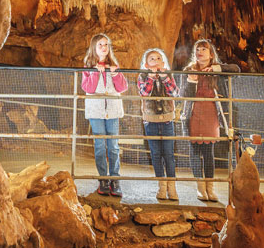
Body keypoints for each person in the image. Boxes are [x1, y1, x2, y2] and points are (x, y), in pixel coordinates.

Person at [180, 39, 239, 202]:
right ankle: (200, 188)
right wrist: (192, 80)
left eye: (203, 49)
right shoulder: (189, 70)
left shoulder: (217, 70)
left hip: (211, 113)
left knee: (208, 152)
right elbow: (183, 94)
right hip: (193, 113)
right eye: (197, 49)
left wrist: (216, 69)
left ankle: (210, 187)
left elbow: (236, 69)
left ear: (211, 54)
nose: (200, 52)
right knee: (194, 151)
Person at [81, 33, 127, 197]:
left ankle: (115, 179)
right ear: (94, 47)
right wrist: (96, 72)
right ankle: (103, 179)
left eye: (106, 44)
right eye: (100, 44)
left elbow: (123, 87)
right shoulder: (88, 66)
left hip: (112, 110)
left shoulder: (114, 65)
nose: (103, 47)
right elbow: (88, 88)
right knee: (100, 145)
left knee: (113, 146)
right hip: (96, 111)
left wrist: (115, 74)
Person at [137, 48, 180, 201]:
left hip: (167, 120)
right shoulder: (142, 76)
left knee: (169, 154)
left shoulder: (168, 75)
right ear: (146, 64)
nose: (155, 61)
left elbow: (174, 93)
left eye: (158, 58)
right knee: (156, 154)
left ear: (163, 62)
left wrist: (164, 78)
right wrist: (150, 78)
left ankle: (172, 187)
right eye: (152, 59)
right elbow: (144, 93)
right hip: (151, 121)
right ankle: (161, 185)